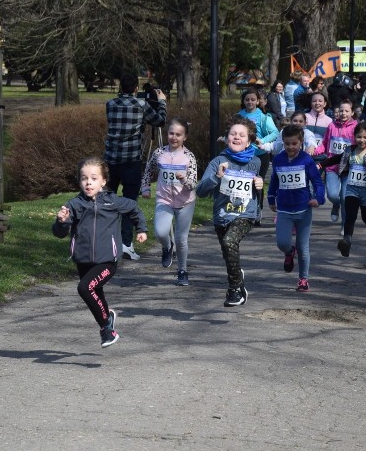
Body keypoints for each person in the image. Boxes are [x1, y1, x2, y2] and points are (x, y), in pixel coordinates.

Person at [52, 156, 148, 347]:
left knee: (85, 288)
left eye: (94, 178)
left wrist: (142, 229)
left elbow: (134, 208)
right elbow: (59, 233)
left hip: (107, 260)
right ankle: (108, 318)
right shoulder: (75, 205)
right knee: (95, 293)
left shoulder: (113, 202)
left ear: (103, 181)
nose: (88, 182)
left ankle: (106, 328)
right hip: (83, 260)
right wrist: (61, 222)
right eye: (84, 178)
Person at [196, 116, 263, 307]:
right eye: (233, 134)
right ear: (226, 138)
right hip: (222, 216)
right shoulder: (219, 161)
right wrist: (217, 176)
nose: (236, 137)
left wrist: (258, 184)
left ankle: (234, 290)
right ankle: (238, 280)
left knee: (229, 241)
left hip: (245, 214)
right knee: (228, 252)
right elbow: (201, 191)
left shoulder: (255, 162)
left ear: (249, 141)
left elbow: (257, 186)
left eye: (242, 135)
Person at [104, 72, 167, 261]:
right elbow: (160, 120)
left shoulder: (110, 104)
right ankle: (125, 244)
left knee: (107, 201)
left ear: (120, 87)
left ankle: (106, 243)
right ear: (136, 89)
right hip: (131, 160)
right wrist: (162, 102)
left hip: (110, 159)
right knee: (129, 203)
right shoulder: (141, 105)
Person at [267, 125, 325, 292]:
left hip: (303, 210)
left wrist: (318, 198)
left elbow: (318, 183)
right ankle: (289, 252)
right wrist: (271, 197)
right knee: (282, 243)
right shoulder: (278, 160)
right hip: (284, 210)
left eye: (294, 143)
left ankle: (303, 279)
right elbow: (274, 181)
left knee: (303, 247)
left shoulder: (306, 160)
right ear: (283, 143)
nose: (291, 147)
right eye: (287, 144)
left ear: (301, 142)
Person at [140, 118, 198, 286]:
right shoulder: (159, 153)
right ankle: (167, 246)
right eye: (171, 133)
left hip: (185, 202)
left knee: (181, 239)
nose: (174, 137)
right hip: (164, 199)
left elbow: (193, 183)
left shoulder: (189, 157)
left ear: (185, 137)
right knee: (160, 232)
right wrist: (145, 188)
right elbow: (148, 170)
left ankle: (182, 271)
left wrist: (185, 179)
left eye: (178, 135)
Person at [319, 122, 366, 257]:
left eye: (365, 137)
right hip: (352, 190)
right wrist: (321, 164)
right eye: (359, 137)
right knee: (350, 216)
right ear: (354, 137)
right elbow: (337, 158)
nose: (362, 140)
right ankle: (347, 241)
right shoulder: (349, 150)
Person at [237, 88, 280, 224]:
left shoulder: (263, 117)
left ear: (257, 101)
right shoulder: (239, 116)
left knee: (257, 184)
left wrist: (263, 141)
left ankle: (257, 211)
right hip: (243, 155)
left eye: (253, 99)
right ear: (243, 101)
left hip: (260, 155)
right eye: (247, 99)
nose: (250, 102)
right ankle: (244, 211)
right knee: (244, 184)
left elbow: (275, 133)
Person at [316, 99, 357, 225]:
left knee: (345, 197)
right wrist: (314, 152)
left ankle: (345, 226)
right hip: (332, 166)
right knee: (333, 195)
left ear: (352, 112)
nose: (343, 113)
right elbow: (324, 143)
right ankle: (336, 204)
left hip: (348, 168)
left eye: (346, 111)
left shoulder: (356, 127)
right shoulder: (332, 126)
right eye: (341, 110)